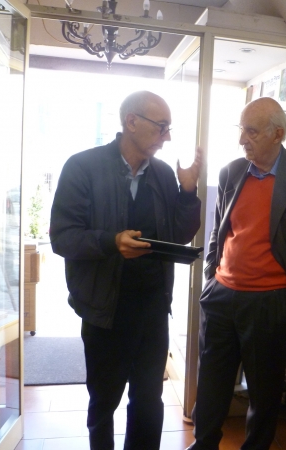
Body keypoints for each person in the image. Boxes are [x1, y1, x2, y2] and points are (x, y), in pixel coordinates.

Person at [49, 91, 202, 450]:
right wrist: (111, 242)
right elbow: (63, 238)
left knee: (148, 400)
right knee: (104, 400)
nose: (167, 137)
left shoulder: (162, 174)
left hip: (153, 308)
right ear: (131, 122)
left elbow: (177, 235)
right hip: (105, 310)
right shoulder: (83, 167)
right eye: (161, 127)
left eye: (169, 128)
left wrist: (187, 192)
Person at [186, 97, 286, 450]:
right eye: (242, 130)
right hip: (221, 296)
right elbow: (219, 231)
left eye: (251, 132)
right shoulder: (232, 172)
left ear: (278, 134)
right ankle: (203, 444)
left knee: (264, 391)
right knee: (212, 381)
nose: (242, 140)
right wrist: (212, 276)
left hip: (271, 302)